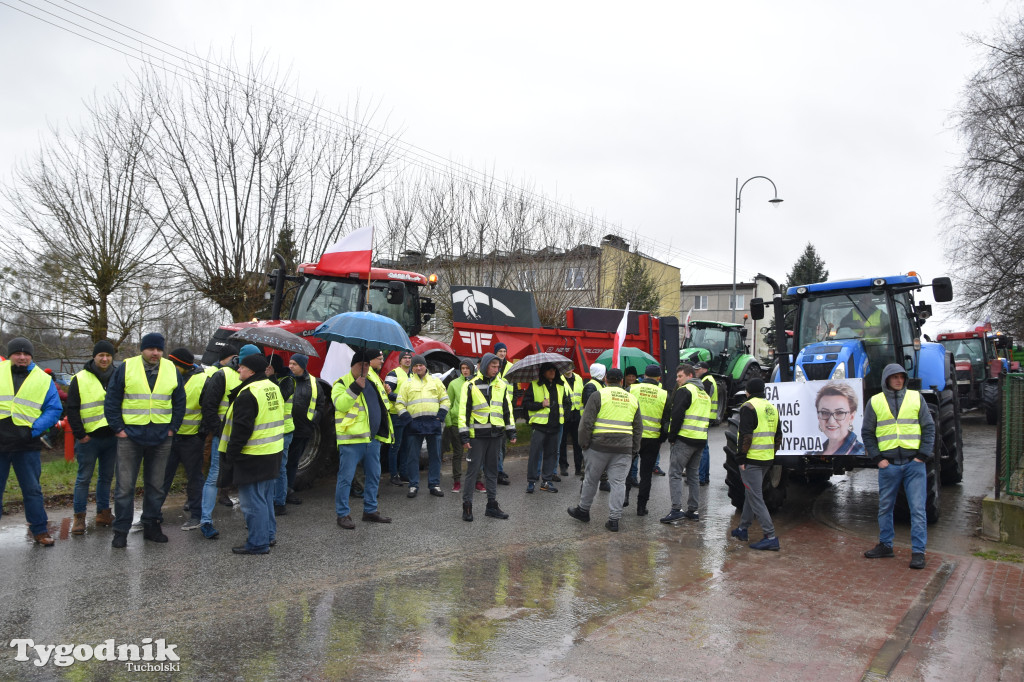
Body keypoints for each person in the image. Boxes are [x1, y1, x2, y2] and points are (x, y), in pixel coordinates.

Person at [104, 332, 185, 548]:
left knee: (156, 485)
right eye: (151, 349)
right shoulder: (126, 367)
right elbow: (112, 398)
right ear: (142, 349)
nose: (155, 353)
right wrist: (118, 428)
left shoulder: (171, 369)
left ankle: (151, 525)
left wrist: (172, 428)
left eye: (159, 349)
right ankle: (121, 530)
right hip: (130, 436)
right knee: (124, 487)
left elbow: (179, 401)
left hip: (161, 437)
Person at [862, 363, 935, 569]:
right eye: (894, 377)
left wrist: (922, 455)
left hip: (914, 464)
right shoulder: (875, 402)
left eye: (902, 377)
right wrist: (878, 459)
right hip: (889, 466)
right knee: (885, 507)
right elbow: (867, 432)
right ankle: (886, 545)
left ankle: (918, 552)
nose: (899, 380)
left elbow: (929, 427)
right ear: (886, 379)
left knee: (918, 510)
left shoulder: (916, 397)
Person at [217, 353, 284, 554]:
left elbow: (241, 430)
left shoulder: (249, 393)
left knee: (252, 502)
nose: (238, 369)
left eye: (242, 367)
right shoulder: (273, 387)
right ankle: (268, 535)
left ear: (252, 371)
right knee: (264, 499)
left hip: (253, 455)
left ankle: (258, 543)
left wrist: (231, 455)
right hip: (272, 452)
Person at [0, 338, 63, 546]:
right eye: (17, 353)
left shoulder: (43, 379)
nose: (22, 357)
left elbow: (54, 409)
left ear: (31, 356)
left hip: (27, 444)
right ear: (9, 355)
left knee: (32, 490)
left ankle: (40, 531)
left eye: (26, 354)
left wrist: (34, 430)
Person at [568, 368, 643, 532]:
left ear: (606, 379)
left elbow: (586, 422)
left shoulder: (598, 395)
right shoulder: (632, 399)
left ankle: (583, 511)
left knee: (591, 479)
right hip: (624, 448)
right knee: (618, 483)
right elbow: (638, 428)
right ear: (622, 381)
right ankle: (614, 520)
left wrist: (583, 444)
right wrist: (634, 449)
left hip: (598, 447)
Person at [197, 344, 255, 539]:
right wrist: (219, 430)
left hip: (248, 438)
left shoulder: (259, 381)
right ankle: (205, 520)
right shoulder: (222, 376)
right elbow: (208, 406)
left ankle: (252, 521)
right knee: (214, 476)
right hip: (223, 436)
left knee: (245, 479)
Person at [333, 349, 393, 529]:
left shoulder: (373, 379)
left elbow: (382, 405)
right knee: (346, 478)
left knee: (374, 476)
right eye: (361, 365)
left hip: (372, 439)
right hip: (351, 441)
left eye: (367, 364)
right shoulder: (341, 383)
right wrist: (355, 387)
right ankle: (342, 515)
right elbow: (341, 404)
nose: (365, 368)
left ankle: (370, 510)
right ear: (353, 365)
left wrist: (387, 392)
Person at [66, 340, 118, 535]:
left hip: (111, 438)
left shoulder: (117, 376)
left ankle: (103, 513)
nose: (104, 359)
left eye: (108, 355)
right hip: (89, 439)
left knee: (106, 478)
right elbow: (72, 409)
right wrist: (80, 434)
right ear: (94, 357)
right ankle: (79, 518)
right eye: (100, 355)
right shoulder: (79, 378)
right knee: (83, 479)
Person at [459, 352, 516, 522]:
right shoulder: (470, 385)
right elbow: (463, 412)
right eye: (493, 366)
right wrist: (464, 436)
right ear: (484, 366)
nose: (496, 369)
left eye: (498, 366)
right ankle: (467, 506)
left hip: (496, 435)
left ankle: (491, 505)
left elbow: (507, 410)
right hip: (477, 436)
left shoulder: (501, 384)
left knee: (492, 471)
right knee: (473, 472)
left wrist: (511, 430)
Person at [729, 378, 784, 550]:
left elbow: (746, 435)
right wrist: (771, 455)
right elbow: (778, 437)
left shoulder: (749, 406)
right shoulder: (772, 408)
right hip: (766, 459)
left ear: (748, 391)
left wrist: (741, 458)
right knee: (751, 493)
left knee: (756, 497)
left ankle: (770, 536)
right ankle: (743, 529)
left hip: (752, 459)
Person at [162, 348, 208, 531]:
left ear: (183, 365)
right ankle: (151, 515)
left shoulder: (202, 380)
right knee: (161, 478)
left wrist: (201, 434)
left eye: (174, 364)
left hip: (191, 438)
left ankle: (196, 516)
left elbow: (208, 408)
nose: (170, 366)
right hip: (169, 436)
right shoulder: (167, 376)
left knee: (194, 479)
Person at [661, 363, 710, 524]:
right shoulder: (704, 394)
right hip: (700, 440)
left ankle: (676, 509)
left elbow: (677, 415)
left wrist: (672, 437)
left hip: (684, 438)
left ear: (690, 376)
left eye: (680, 376)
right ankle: (693, 510)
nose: (677, 379)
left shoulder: (685, 391)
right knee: (693, 475)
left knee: (675, 473)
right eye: (677, 376)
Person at [397, 354, 450, 498]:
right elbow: (399, 404)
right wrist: (408, 420)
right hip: (414, 425)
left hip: (433, 424)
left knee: (435, 456)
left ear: (425, 366)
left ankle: (434, 485)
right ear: (412, 368)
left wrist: (440, 417)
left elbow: (445, 401)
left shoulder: (436, 382)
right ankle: (413, 485)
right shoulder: (407, 384)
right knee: (412, 457)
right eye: (415, 365)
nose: (418, 367)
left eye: (420, 365)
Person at [277, 354, 323, 506]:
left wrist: (313, 421)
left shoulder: (314, 383)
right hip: (284, 428)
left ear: (303, 366)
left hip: (303, 429)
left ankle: (288, 491)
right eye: (290, 363)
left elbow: (320, 404)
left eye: (294, 364)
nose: (290, 366)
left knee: (293, 462)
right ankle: (280, 494)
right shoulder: (285, 380)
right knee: (281, 463)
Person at [629, 364, 670, 516]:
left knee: (626, 469)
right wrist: (662, 439)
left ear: (644, 375)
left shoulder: (632, 388)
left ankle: (624, 499)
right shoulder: (664, 394)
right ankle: (641, 507)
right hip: (652, 440)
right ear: (659, 378)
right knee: (646, 475)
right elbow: (666, 422)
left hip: (633, 437)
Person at [523, 362, 570, 493]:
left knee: (551, 455)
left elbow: (567, 403)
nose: (552, 372)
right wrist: (540, 404)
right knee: (534, 455)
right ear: (543, 372)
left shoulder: (561, 386)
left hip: (555, 426)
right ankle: (531, 482)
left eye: (554, 370)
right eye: (549, 370)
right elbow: (526, 404)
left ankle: (546, 481)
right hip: (540, 426)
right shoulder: (535, 385)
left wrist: (564, 417)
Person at [444, 360, 482, 493]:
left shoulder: (477, 382)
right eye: (463, 368)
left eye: (467, 368)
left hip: (473, 423)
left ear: (472, 369)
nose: (465, 370)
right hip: (456, 423)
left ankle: (478, 480)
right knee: (458, 453)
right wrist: (449, 422)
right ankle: (457, 481)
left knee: (476, 453)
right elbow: (447, 404)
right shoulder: (454, 384)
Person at [812, 381, 865, 456]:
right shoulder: (811, 453)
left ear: (851, 417)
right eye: (824, 412)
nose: (831, 421)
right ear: (818, 417)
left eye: (839, 413)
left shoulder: (859, 452)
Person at [384, 350, 413, 486]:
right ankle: (394, 474)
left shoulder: (413, 375)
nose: (407, 360)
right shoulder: (393, 374)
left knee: (406, 446)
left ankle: (404, 473)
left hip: (408, 415)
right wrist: (404, 399)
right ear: (400, 361)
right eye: (404, 358)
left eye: (409, 358)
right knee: (395, 446)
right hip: (396, 415)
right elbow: (388, 394)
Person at [693, 361, 718, 485]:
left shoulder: (707, 381)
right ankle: (704, 477)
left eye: (697, 370)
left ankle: (701, 477)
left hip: (704, 417)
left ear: (704, 369)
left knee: (703, 449)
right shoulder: (708, 380)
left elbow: (703, 400)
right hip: (707, 417)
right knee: (704, 448)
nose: (695, 371)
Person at [559, 364, 584, 478]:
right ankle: (563, 466)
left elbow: (582, 396)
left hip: (577, 413)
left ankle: (578, 467)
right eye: (566, 367)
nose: (568, 369)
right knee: (562, 442)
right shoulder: (559, 378)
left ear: (573, 368)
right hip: (564, 413)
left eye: (570, 367)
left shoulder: (578, 378)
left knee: (578, 442)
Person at [493, 342, 513, 485]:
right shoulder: (492, 366)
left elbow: (515, 388)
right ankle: (497, 472)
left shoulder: (511, 367)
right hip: (494, 410)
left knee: (503, 444)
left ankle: (499, 469)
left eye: (504, 351)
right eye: (500, 351)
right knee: (496, 445)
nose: (502, 353)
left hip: (507, 409)